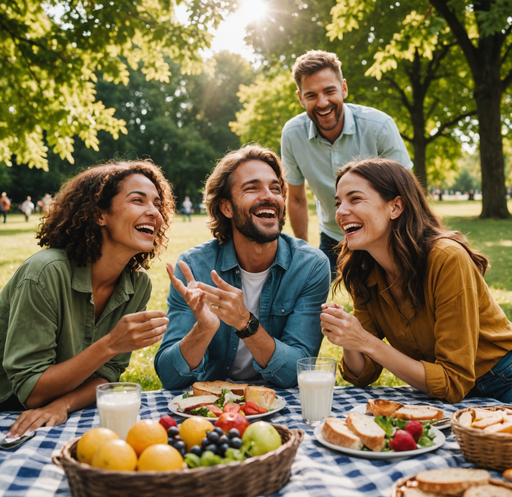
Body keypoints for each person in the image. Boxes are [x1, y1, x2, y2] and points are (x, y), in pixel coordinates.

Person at [0, 160, 174, 437]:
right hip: (10, 411)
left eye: (157, 203)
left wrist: (63, 404)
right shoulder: (45, 272)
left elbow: (107, 375)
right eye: (138, 200)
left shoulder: (138, 285)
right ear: (99, 215)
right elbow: (30, 392)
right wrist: (111, 343)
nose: (154, 213)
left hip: (60, 412)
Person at [320, 158, 512, 404]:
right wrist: (348, 338)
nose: (341, 212)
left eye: (355, 199)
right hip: (439, 394)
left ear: (395, 207)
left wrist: (365, 340)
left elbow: (453, 382)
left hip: (502, 380)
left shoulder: (446, 259)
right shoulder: (363, 271)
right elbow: (362, 374)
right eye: (338, 202)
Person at [155, 145, 331, 389]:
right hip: (214, 406)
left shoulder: (311, 266)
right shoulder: (194, 267)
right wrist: (203, 330)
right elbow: (169, 376)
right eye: (252, 188)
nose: (269, 196)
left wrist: (245, 323)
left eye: (276, 188)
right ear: (226, 207)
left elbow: (296, 372)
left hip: (280, 400)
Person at [281, 50, 413, 279]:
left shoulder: (379, 126)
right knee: (304, 296)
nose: (322, 103)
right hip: (333, 235)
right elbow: (297, 198)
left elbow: (407, 191)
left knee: (394, 303)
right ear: (301, 99)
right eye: (311, 95)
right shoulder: (292, 134)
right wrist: (302, 251)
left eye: (329, 91)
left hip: (384, 234)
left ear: (343, 88)